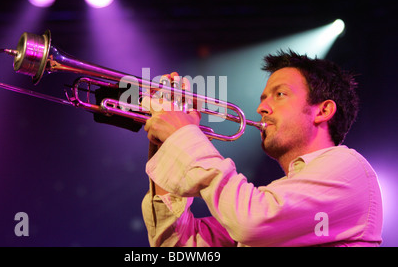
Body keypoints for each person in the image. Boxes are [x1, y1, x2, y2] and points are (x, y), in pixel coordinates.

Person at [141, 49, 383, 247]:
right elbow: (176, 245)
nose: (261, 109)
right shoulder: (274, 196)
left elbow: (251, 222)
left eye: (279, 94)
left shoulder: (348, 168)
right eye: (263, 98)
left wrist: (184, 136)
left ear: (323, 110)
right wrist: (167, 142)